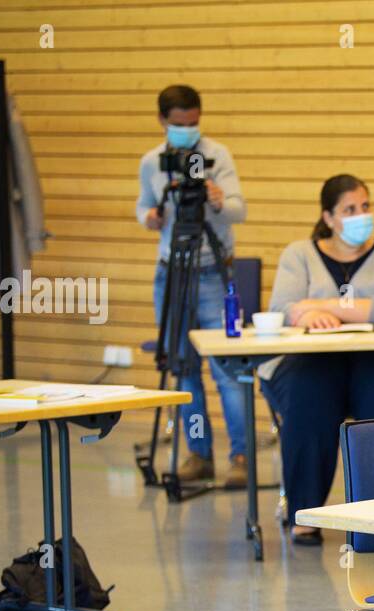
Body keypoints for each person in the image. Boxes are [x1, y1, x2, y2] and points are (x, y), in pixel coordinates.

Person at [260, 174, 374, 546]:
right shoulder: (299, 254)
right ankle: (303, 512)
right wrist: (305, 314)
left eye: (365, 207)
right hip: (312, 361)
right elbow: (282, 310)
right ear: (329, 217)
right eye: (349, 209)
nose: (360, 215)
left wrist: (324, 306)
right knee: (308, 395)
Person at [136, 84, 249, 487]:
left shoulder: (217, 156)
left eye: (194, 123)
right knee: (184, 370)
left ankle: (241, 456)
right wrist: (149, 216)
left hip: (211, 271)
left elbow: (240, 210)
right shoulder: (152, 162)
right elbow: (143, 206)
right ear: (163, 121)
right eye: (179, 124)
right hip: (171, 272)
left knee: (226, 369)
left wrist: (218, 198)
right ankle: (198, 454)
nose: (188, 130)